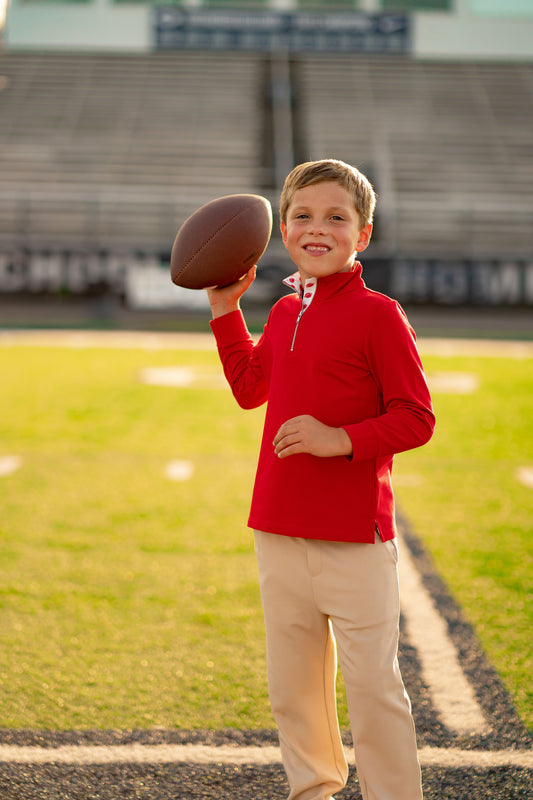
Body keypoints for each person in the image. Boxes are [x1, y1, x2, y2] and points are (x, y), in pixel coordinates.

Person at [207, 159, 435, 800]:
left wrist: (341, 441)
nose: (317, 228)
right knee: (295, 688)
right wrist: (227, 311)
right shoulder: (282, 313)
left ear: (362, 234)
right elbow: (252, 389)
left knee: (372, 688)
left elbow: (416, 419)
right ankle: (312, 789)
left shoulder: (378, 314)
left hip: (353, 537)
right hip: (277, 525)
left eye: (336, 217)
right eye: (302, 216)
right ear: (282, 229)